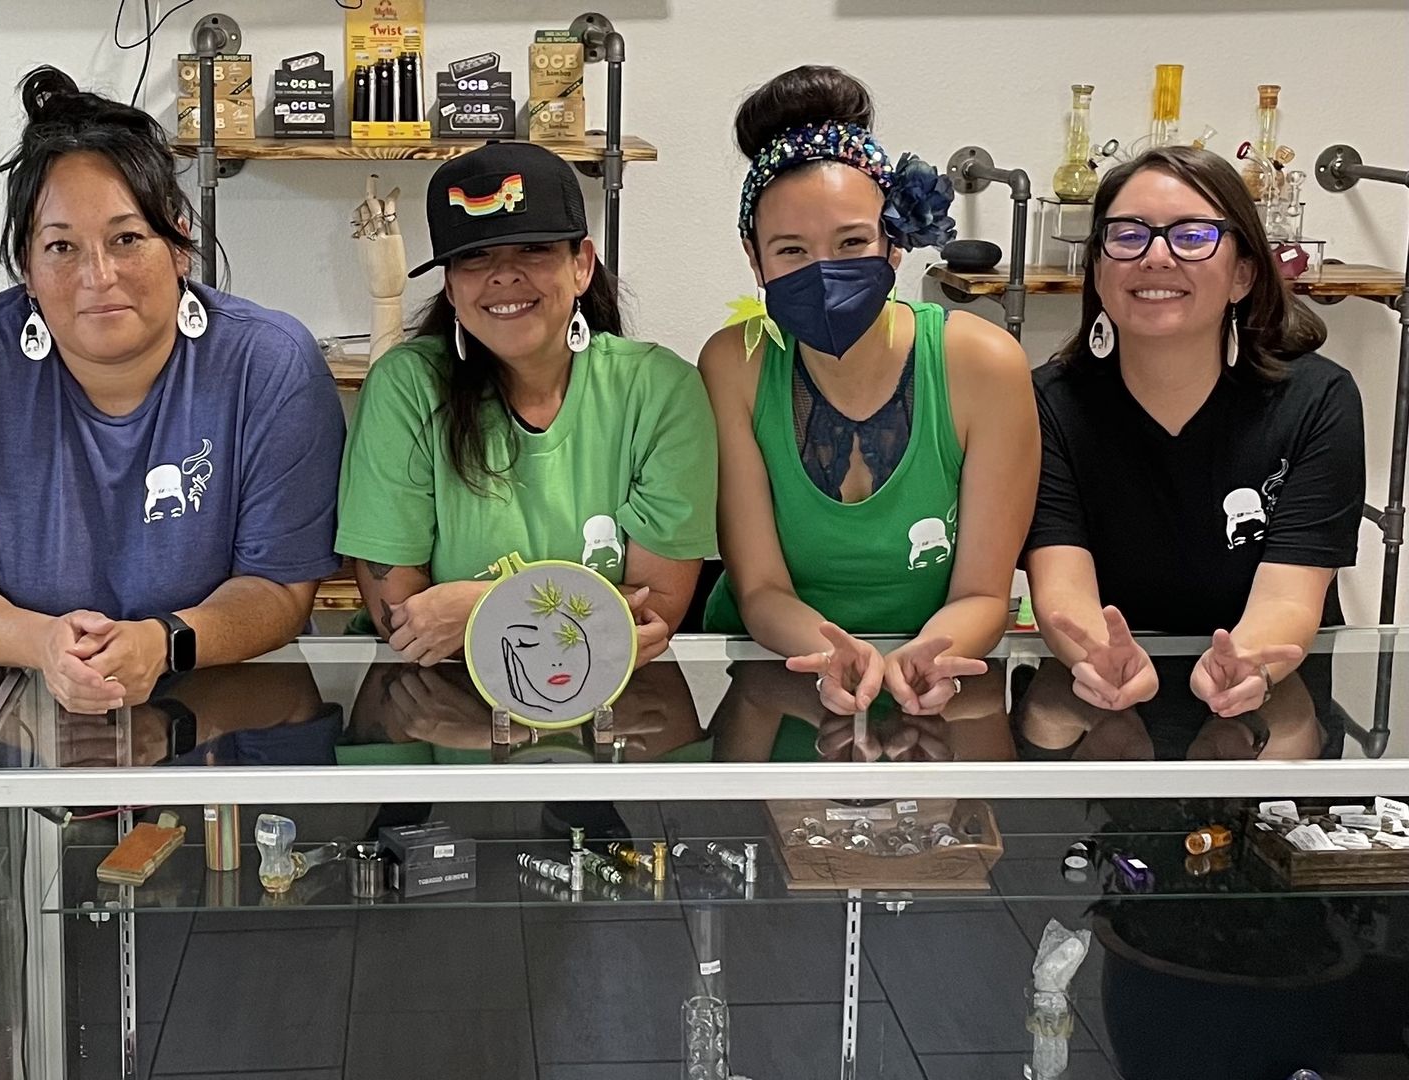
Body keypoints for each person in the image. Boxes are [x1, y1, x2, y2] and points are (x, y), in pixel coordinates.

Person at [0, 66, 344, 715]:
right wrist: (45, 643)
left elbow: (278, 591)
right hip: (15, 713)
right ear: (25, 268)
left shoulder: (269, 363)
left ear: (179, 240)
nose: (98, 275)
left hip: (222, 712)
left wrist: (163, 641)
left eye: (127, 239)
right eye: (61, 247)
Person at [700, 66, 1038, 715]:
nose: (825, 273)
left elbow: (983, 593)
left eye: (852, 242)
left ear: (894, 243)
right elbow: (762, 588)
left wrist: (922, 657)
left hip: (939, 684)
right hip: (776, 680)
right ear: (754, 258)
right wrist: (834, 656)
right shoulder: (733, 366)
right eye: (792, 251)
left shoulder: (984, 366)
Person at [336, 142, 717, 669]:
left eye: (533, 249)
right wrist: (588, 614)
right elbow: (403, 618)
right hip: (439, 695)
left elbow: (654, 612)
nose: (504, 274)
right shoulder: (407, 386)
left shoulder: (660, 390)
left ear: (581, 265)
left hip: (603, 698)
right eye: (474, 256)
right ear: (450, 285)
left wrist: (478, 606)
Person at [1024, 145, 1363, 726]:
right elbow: (1061, 586)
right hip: (1100, 711)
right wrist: (1102, 659)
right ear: (1098, 273)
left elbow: (1289, 596)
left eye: (1193, 236)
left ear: (1243, 274)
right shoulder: (1046, 404)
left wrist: (1245, 665)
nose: (1156, 257)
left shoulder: (1317, 400)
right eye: (1127, 236)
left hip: (1270, 708)